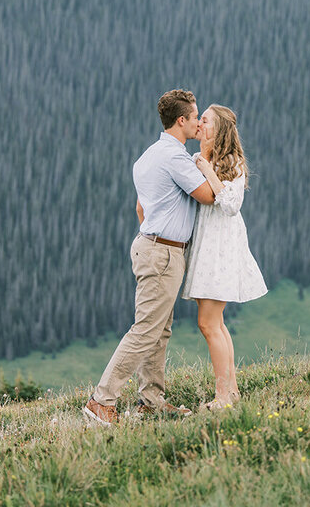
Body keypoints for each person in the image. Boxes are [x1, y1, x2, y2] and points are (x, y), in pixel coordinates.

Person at [83, 89, 215, 426]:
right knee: (146, 330)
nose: (199, 122)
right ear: (181, 120)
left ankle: (152, 400)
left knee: (159, 329)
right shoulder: (174, 158)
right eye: (195, 116)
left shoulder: (148, 156)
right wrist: (207, 155)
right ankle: (102, 400)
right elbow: (208, 196)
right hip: (163, 253)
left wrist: (154, 239)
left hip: (152, 245)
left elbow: (141, 207)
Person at [181, 104, 268, 410]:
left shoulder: (232, 163)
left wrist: (207, 171)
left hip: (221, 249)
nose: (199, 124)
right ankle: (230, 390)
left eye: (204, 120)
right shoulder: (197, 159)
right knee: (215, 322)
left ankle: (222, 397)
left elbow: (231, 205)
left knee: (208, 323)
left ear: (218, 129)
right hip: (206, 246)